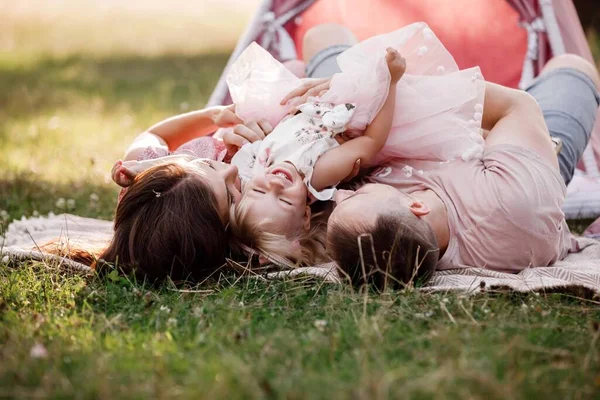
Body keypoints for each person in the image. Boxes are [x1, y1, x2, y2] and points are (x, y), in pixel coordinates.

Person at [323, 51, 600, 289]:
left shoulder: (398, 234)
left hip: (458, 142)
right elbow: (517, 106)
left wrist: (349, 92)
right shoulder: (512, 200)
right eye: (354, 197)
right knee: (572, 66)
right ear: (418, 207)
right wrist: (375, 88)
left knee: (324, 40)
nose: (338, 196)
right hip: (540, 155)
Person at [227, 23, 489, 267]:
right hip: (359, 107)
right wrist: (391, 83)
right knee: (456, 109)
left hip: (318, 98)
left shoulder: (254, 164)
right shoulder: (316, 173)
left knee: (319, 37)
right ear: (306, 215)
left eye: (259, 192)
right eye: (284, 200)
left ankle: (300, 66)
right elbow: (370, 142)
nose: (274, 184)